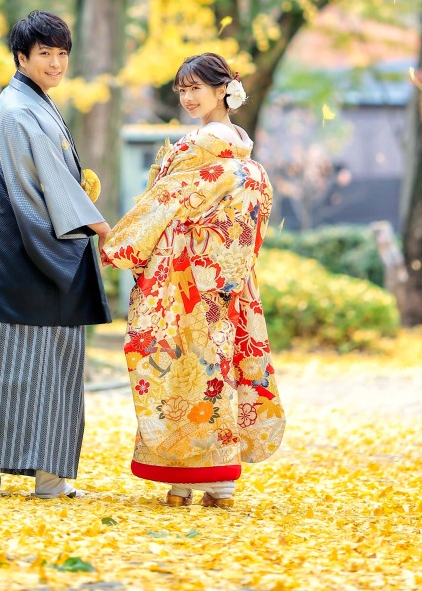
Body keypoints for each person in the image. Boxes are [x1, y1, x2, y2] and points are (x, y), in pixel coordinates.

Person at [101, 52, 284, 508]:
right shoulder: (245, 158)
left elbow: (161, 204)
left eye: (195, 88)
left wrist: (116, 241)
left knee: (182, 368)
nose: (186, 97)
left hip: (181, 277)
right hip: (223, 279)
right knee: (214, 366)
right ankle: (206, 479)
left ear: (223, 89)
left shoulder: (198, 149)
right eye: (181, 89)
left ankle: (191, 477)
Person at [0, 10, 112, 499]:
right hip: (33, 250)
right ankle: (39, 479)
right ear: (21, 56)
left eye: (62, 54)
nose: (56, 63)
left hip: (15, 252)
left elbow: (52, 177)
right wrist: (97, 225)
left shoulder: (27, 100)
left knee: (3, 363)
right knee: (38, 363)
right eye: (45, 53)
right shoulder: (20, 108)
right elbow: (49, 182)